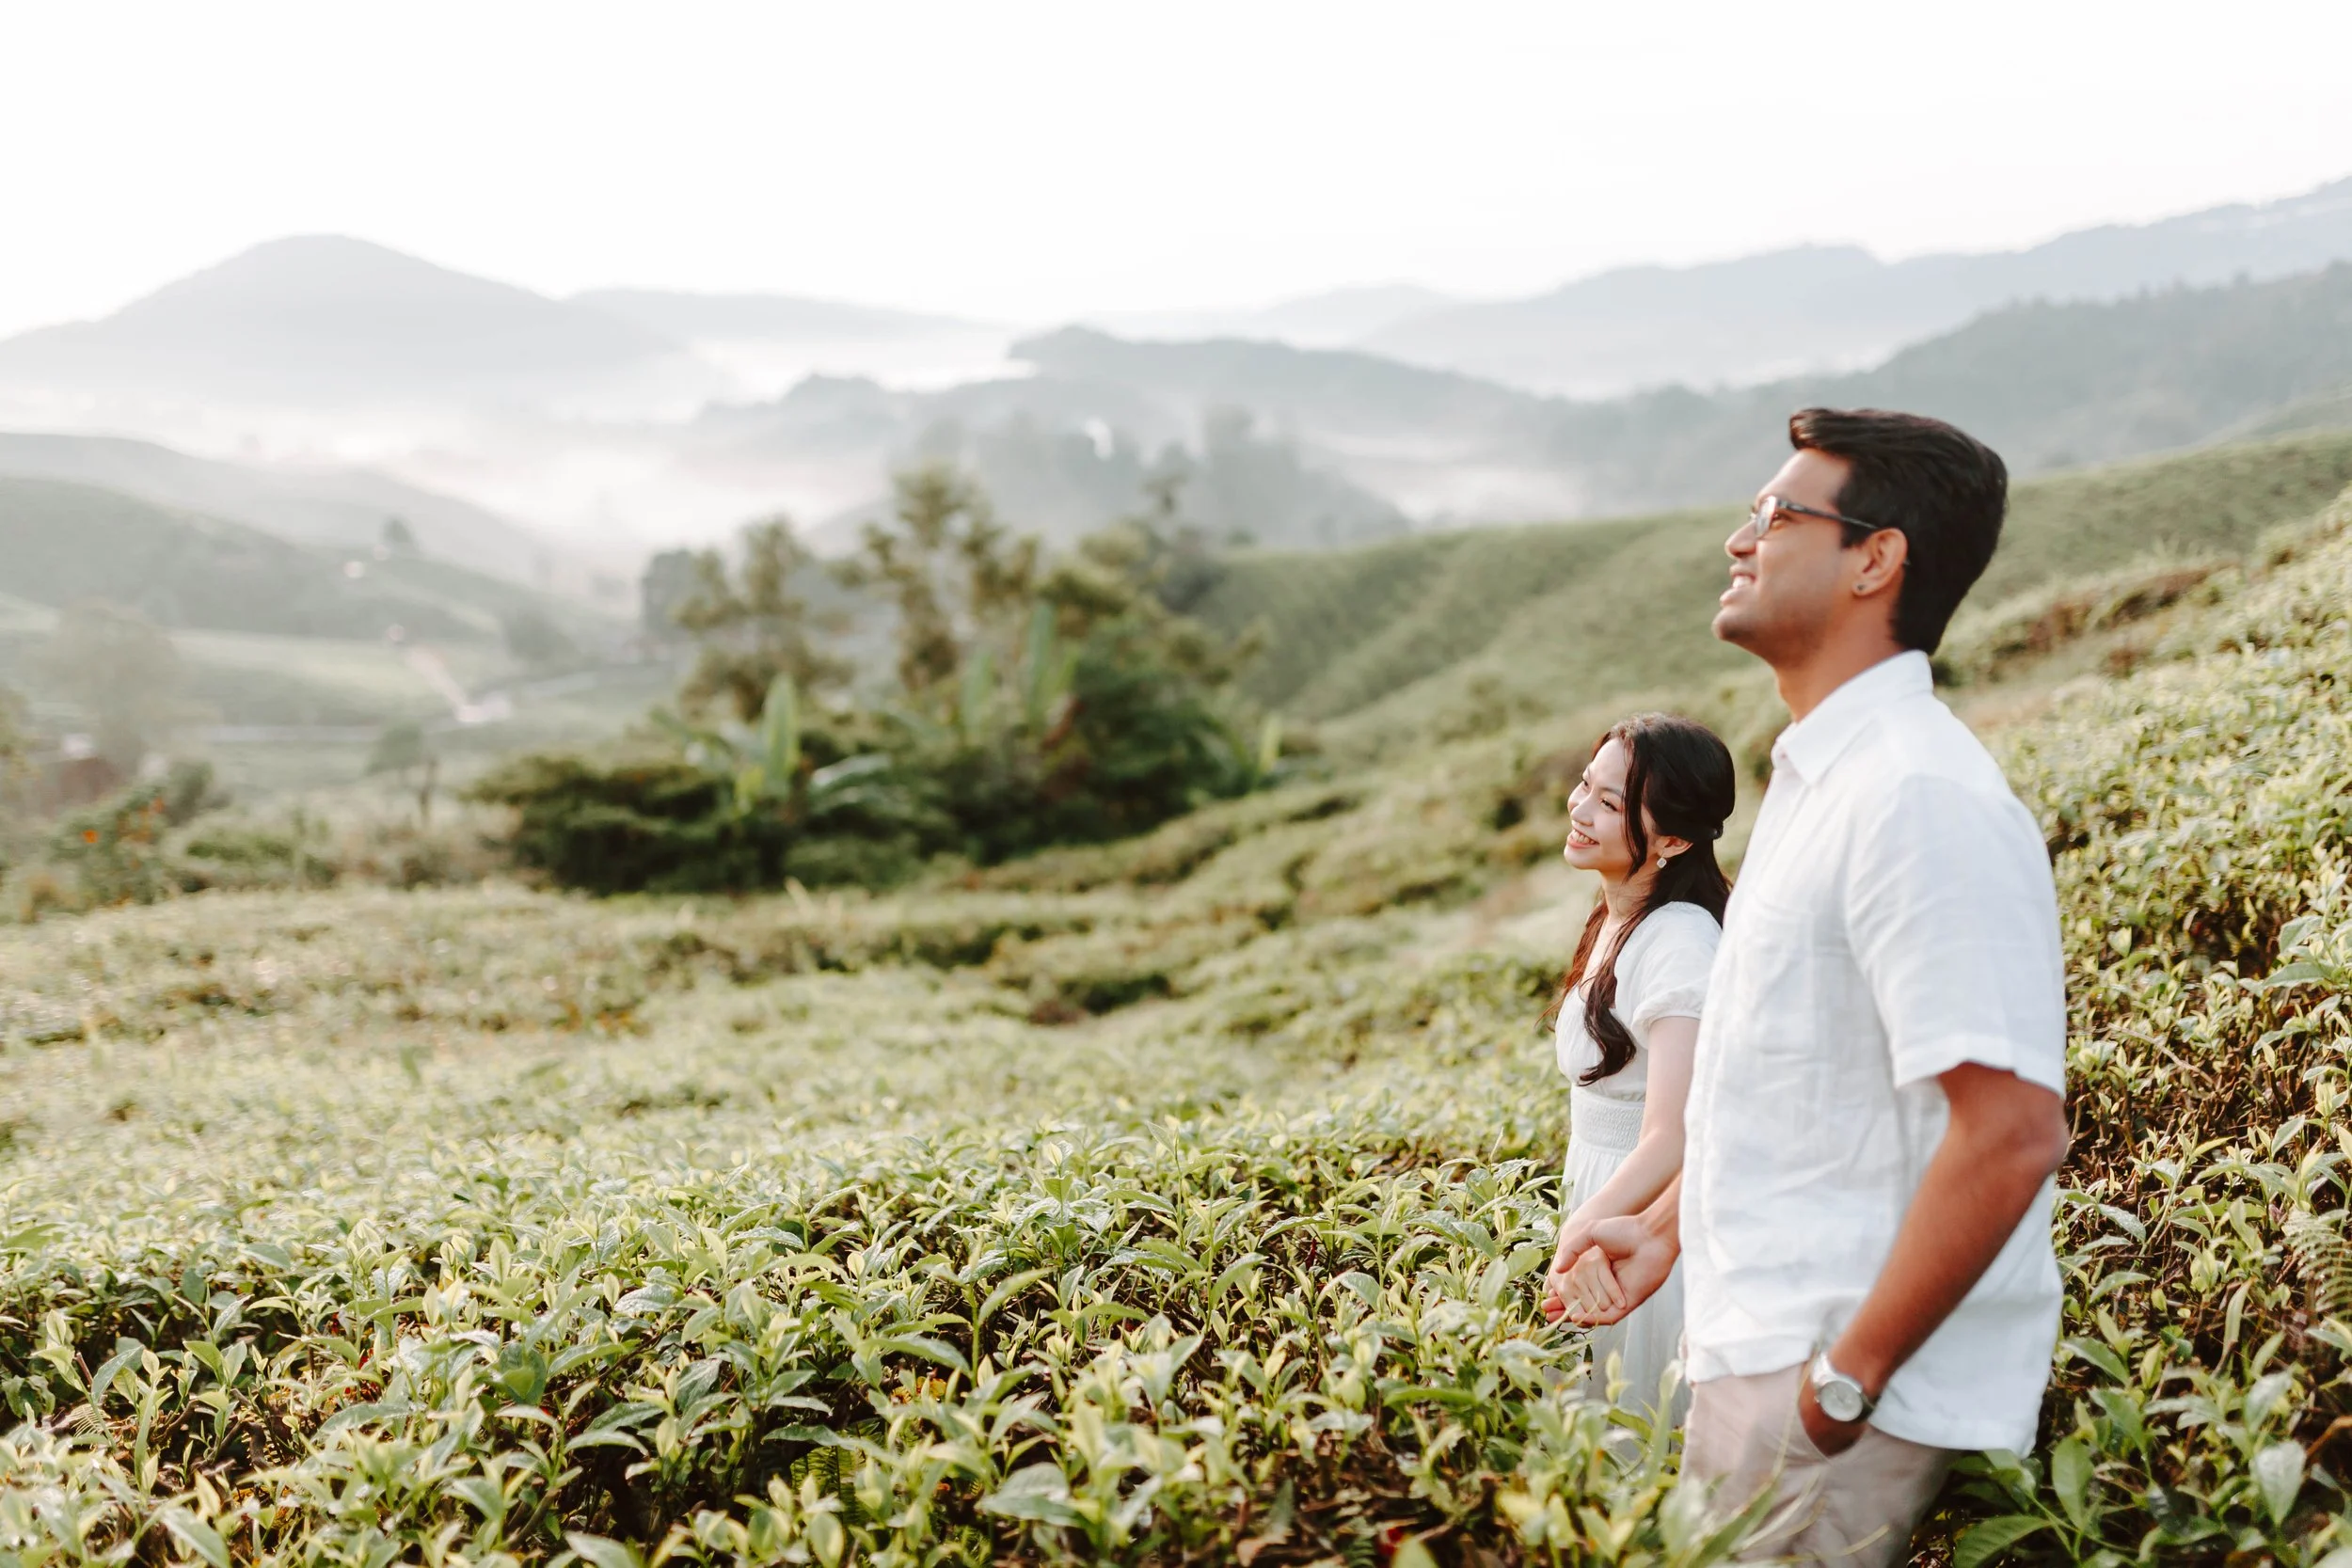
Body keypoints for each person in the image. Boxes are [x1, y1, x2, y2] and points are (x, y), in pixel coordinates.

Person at [1564, 408, 2071, 1566]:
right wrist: (1668, 1232)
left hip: (1819, 1374)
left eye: (1776, 513)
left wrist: (1844, 1380)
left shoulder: (1916, 794)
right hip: (1755, 1338)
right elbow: (1806, 1095)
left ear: (1874, 558)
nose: (1740, 538)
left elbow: (2010, 1130)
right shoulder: (1818, 778)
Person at [1535, 713, 1735, 1427]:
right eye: (1585, 785)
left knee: (1640, 1423)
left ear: (1674, 840)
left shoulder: (1679, 942)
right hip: (1605, 1188)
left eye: (1610, 802)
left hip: (1644, 1211)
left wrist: (1586, 1226)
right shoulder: (1620, 915)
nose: (1581, 808)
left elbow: (1673, 1133)